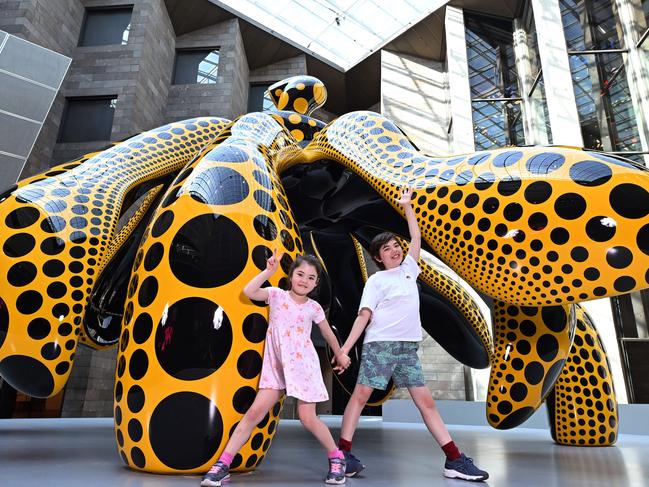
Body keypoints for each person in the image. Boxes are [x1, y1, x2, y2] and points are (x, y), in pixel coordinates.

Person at [335, 187, 489, 482]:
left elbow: (416, 238)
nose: (394, 250)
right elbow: (363, 316)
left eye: (395, 245)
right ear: (378, 258)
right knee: (361, 397)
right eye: (387, 249)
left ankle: (454, 459)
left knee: (426, 403)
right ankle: (343, 454)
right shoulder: (378, 280)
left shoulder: (409, 270)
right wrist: (344, 349)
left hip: (408, 349)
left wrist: (407, 207)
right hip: (381, 346)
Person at [201, 252, 352, 487]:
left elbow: (327, 333)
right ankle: (223, 464)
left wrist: (340, 354)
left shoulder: (314, 307)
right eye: (300, 274)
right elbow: (249, 291)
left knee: (307, 418)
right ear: (291, 275)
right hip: (276, 366)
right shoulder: (276, 295)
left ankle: (337, 458)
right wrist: (269, 272)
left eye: (311, 277)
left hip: (303, 366)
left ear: (316, 283)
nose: (304, 280)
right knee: (253, 414)